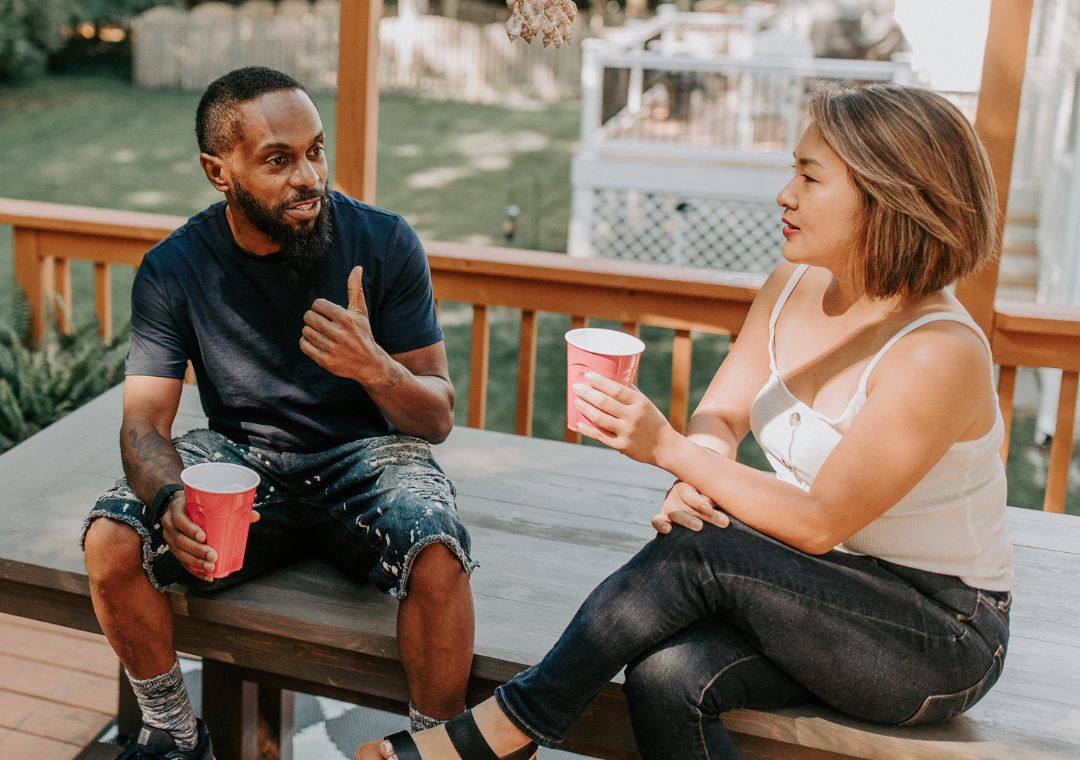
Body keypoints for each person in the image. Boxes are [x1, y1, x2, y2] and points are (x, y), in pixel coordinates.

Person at [358, 82, 1013, 760]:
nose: (784, 193)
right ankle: (506, 734)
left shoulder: (939, 352)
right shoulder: (794, 285)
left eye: (810, 177)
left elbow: (821, 519)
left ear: (888, 195)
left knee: (705, 549)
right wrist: (702, 465)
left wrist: (670, 451)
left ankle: (505, 730)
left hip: (938, 635)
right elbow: (723, 414)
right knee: (668, 677)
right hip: (820, 593)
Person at [81, 66, 476, 760]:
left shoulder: (384, 243)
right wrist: (169, 496)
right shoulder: (174, 268)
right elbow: (144, 425)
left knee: (439, 554)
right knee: (110, 541)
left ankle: (433, 750)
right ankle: (174, 735)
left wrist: (374, 368)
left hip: (369, 458)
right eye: (278, 159)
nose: (309, 176)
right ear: (217, 171)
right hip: (243, 464)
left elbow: (437, 418)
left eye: (315, 151)